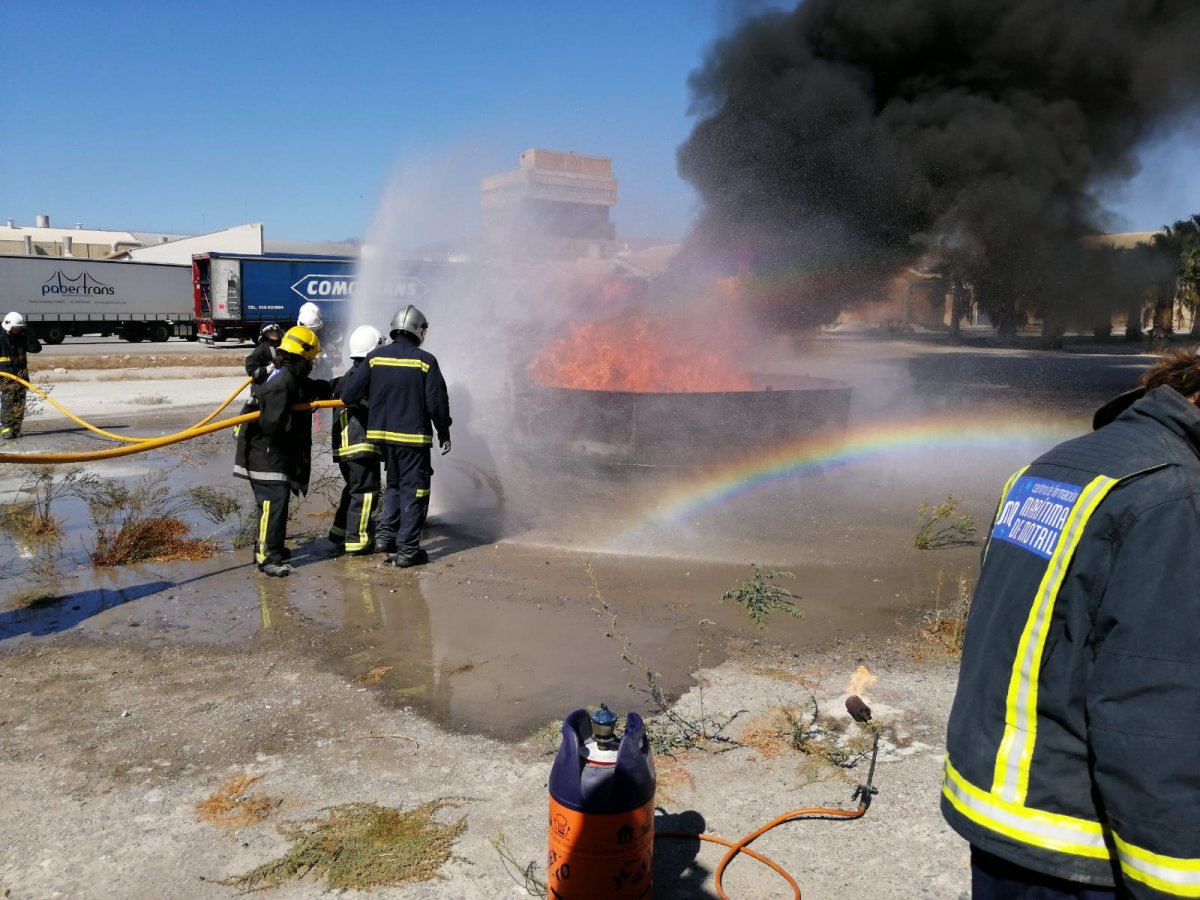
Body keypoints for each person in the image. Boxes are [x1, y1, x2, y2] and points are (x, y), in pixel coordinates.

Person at [942, 349, 1200, 898]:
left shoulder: (1058, 464)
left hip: (1000, 816)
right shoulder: (1174, 497)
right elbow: (1155, 711)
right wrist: (1177, 881)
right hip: (1077, 840)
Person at [340, 304, 451, 568]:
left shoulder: (375, 358)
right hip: (413, 440)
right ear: (419, 330)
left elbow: (348, 395)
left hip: (383, 439)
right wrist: (444, 431)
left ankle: (385, 537)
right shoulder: (426, 361)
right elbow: (437, 403)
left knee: (393, 486)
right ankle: (408, 550)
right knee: (416, 491)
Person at [233, 325, 332, 577]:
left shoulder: (287, 374)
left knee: (269, 505)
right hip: (266, 454)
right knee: (274, 502)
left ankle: (266, 548)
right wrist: (297, 414)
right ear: (303, 355)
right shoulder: (283, 380)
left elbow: (311, 387)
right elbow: (271, 424)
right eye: (311, 359)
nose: (312, 363)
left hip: (266, 452)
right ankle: (269, 558)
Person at [328, 324, 385, 555]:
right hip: (361, 445)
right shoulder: (369, 378)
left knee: (353, 488)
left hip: (344, 447)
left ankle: (339, 532)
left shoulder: (346, 377)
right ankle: (358, 541)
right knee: (365, 492)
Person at [0, 311, 42, 439]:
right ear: (10, 327)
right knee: (8, 404)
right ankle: (6, 430)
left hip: (22, 378)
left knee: (19, 405)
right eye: (17, 328)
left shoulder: (22, 338)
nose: (18, 330)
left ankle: (15, 429)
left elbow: (36, 349)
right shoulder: (1, 340)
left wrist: (30, 334)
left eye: (20, 328)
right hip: (6, 380)